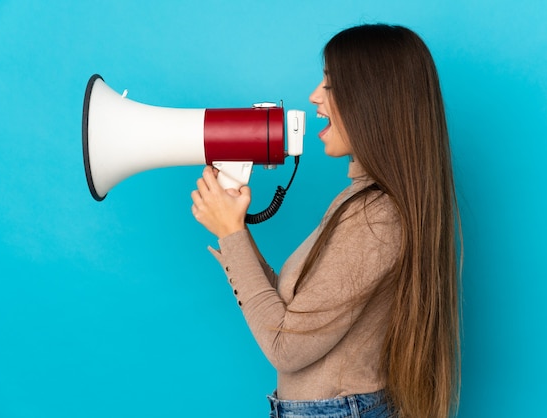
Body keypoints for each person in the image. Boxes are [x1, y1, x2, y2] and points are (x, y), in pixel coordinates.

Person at [191, 23, 461, 418]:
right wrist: (235, 231)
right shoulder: (361, 201)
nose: (315, 96)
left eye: (330, 84)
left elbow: (285, 346)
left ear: (373, 99)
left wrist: (231, 232)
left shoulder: (376, 217)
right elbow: (292, 313)